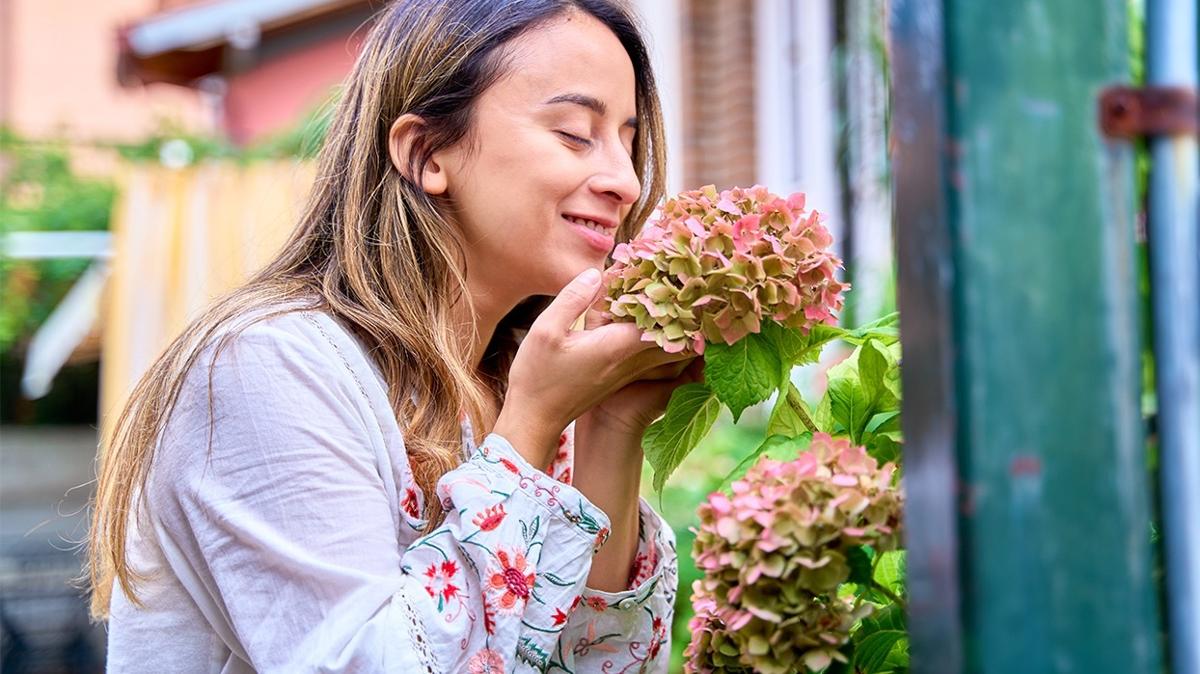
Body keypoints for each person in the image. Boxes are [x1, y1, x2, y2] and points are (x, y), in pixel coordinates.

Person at [86, 1, 701, 671]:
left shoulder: (518, 382)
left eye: (628, 139)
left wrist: (611, 424)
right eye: (575, 134)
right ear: (426, 151)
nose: (626, 181)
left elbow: (594, 664)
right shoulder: (267, 368)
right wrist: (533, 423)